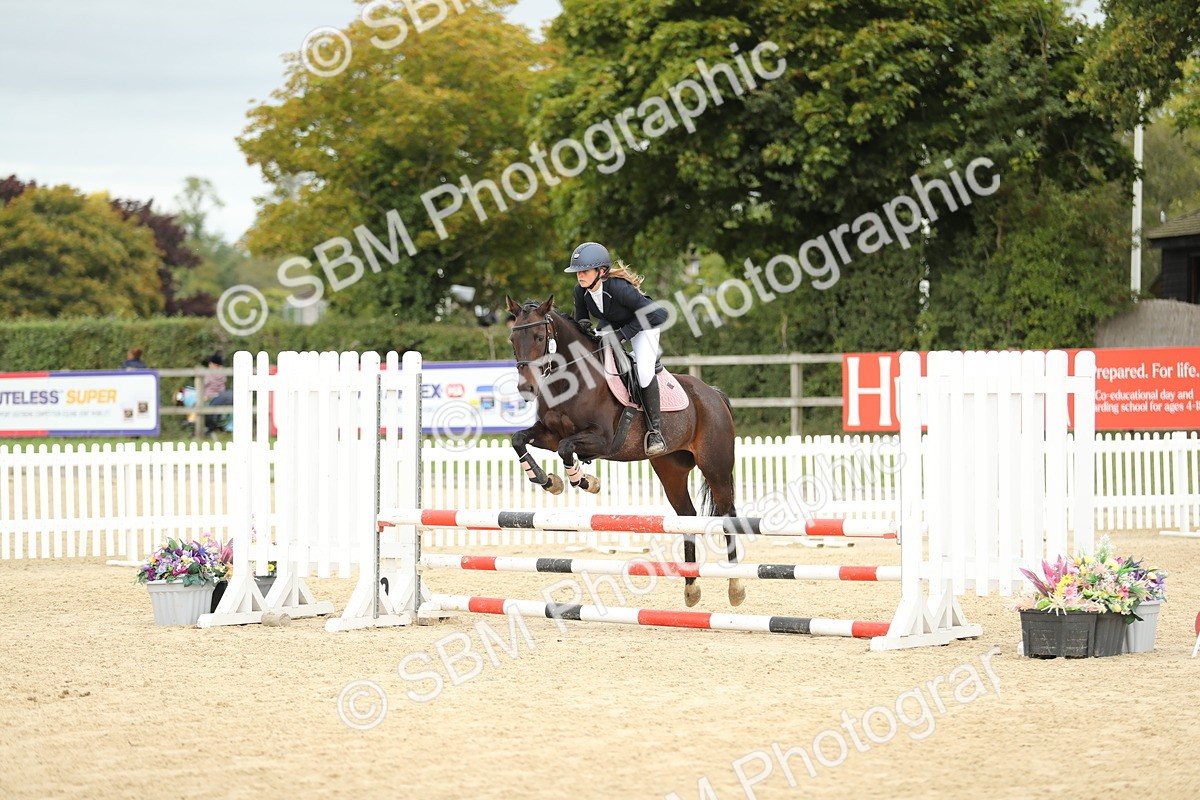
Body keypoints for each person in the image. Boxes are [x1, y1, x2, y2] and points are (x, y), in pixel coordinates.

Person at [565, 241, 669, 456]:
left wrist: (622, 336)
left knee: (643, 372)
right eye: (577, 272)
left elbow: (654, 314)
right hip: (613, 324)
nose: (580, 276)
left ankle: (655, 431)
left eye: (584, 271)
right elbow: (581, 322)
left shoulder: (619, 288)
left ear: (601, 271)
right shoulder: (580, 291)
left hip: (645, 325)